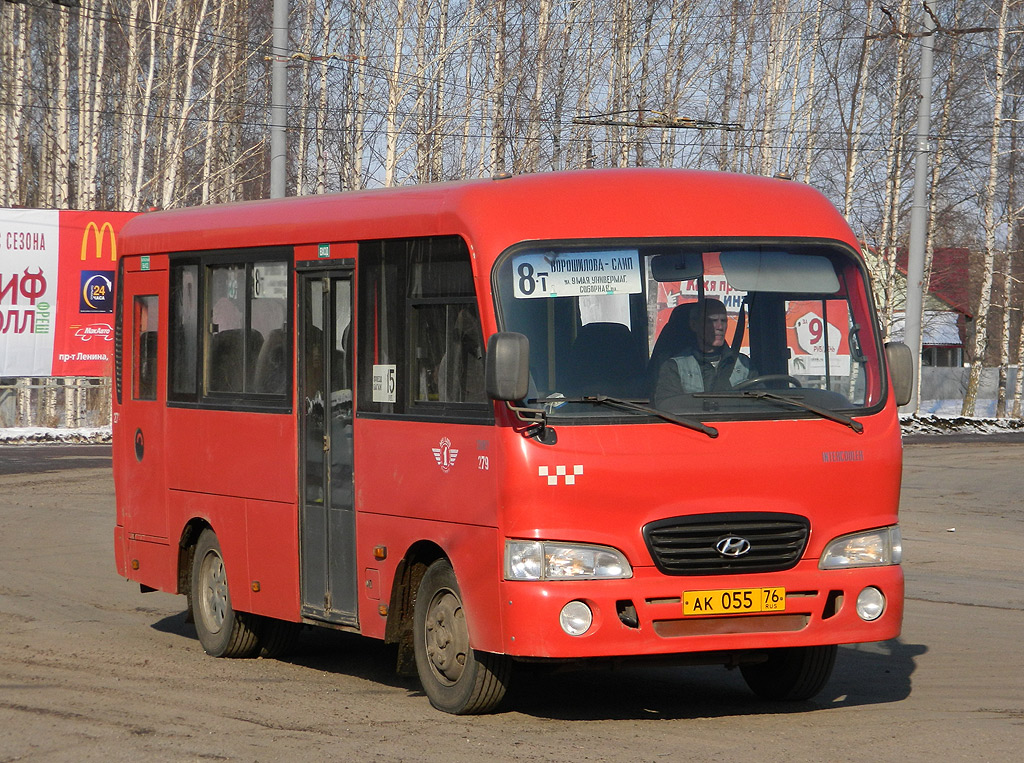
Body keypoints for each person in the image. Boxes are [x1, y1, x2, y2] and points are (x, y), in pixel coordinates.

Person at [654, 298, 755, 405]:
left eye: (723, 321)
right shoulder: (674, 367)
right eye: (712, 321)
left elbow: (759, 405)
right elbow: (668, 408)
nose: (720, 327)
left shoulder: (744, 365)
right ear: (694, 325)